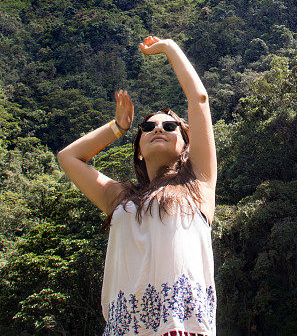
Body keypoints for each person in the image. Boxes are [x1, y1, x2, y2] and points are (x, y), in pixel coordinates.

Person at [57, 36, 217, 336]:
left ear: (185, 146)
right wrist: (117, 128)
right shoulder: (119, 197)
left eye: (170, 127)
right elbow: (68, 157)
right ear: (139, 149)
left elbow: (199, 100)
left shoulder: (198, 184)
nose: (159, 128)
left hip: (182, 328)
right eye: (148, 127)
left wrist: (169, 47)